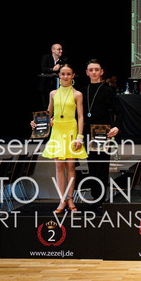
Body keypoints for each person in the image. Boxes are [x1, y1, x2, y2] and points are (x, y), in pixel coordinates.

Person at [35, 64, 87, 213]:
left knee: (70, 166)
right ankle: (62, 200)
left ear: (73, 76)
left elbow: (81, 117)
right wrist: (39, 122)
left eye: (68, 74)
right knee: (59, 166)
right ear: (59, 75)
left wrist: (80, 137)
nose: (65, 76)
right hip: (57, 131)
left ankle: (70, 199)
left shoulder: (77, 94)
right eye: (63, 74)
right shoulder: (53, 93)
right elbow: (48, 113)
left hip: (71, 130)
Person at [81, 59, 123, 207]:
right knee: (92, 165)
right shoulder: (82, 91)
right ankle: (95, 197)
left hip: (103, 132)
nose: (94, 72)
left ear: (101, 72)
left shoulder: (108, 90)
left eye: (96, 70)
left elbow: (119, 111)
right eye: (91, 70)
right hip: (88, 132)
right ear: (87, 73)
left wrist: (116, 127)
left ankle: (101, 199)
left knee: (102, 166)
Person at [39, 43, 68, 109]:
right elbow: (44, 69)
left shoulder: (64, 59)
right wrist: (53, 69)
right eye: (59, 49)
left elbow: (65, 68)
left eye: (61, 49)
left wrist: (60, 65)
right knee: (46, 106)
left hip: (58, 86)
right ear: (53, 50)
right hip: (46, 86)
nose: (61, 51)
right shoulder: (46, 57)